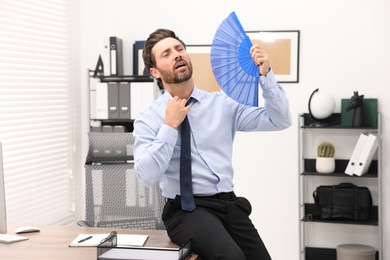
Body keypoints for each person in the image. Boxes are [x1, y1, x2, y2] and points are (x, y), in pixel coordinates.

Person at [133, 28, 292, 260]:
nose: (177, 55)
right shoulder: (149, 117)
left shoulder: (223, 104)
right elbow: (146, 176)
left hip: (228, 204)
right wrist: (169, 126)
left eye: (179, 49)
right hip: (185, 210)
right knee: (231, 258)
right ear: (154, 71)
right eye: (166, 53)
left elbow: (280, 120)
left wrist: (265, 76)